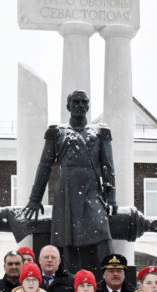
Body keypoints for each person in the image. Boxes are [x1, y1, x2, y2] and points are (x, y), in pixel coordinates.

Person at [21, 90, 117, 272]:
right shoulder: (57, 133)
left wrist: (112, 198)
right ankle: (67, 277)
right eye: (76, 102)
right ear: (68, 106)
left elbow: (108, 167)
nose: (80, 105)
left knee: (102, 232)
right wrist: (35, 199)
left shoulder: (100, 132)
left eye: (83, 102)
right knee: (67, 240)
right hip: (66, 192)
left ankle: (108, 274)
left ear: (88, 106)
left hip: (92, 190)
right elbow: (44, 166)